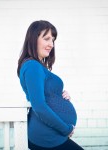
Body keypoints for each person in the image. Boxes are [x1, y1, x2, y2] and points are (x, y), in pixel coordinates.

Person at [17, 20, 84, 150]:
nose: (51, 44)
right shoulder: (32, 66)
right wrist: (66, 129)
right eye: (46, 39)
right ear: (33, 39)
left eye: (52, 40)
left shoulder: (36, 66)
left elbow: (45, 96)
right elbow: (39, 106)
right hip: (45, 137)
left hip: (50, 135)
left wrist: (60, 95)